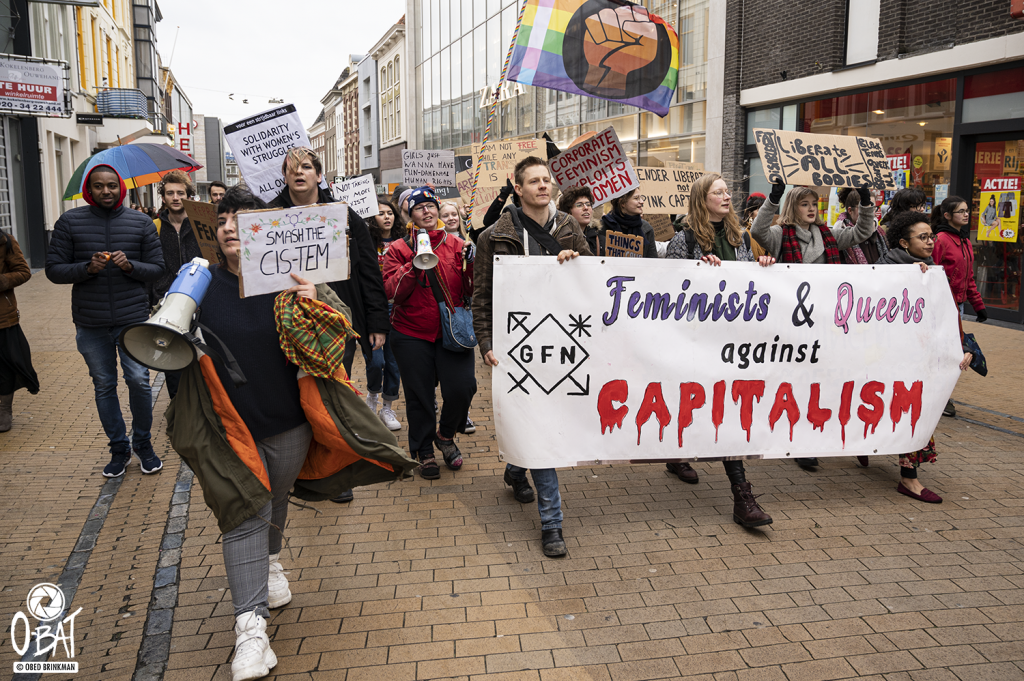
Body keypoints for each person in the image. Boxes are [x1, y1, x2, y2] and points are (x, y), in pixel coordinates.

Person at [168, 185, 416, 681]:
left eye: (244, 219)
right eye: (223, 221)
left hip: (288, 424)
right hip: (227, 429)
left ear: (267, 230)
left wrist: (311, 302)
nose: (232, 227)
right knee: (245, 513)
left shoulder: (294, 278)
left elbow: (338, 338)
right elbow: (166, 347)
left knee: (273, 498)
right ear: (214, 232)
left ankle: (273, 561)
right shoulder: (196, 285)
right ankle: (250, 630)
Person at [473, 156, 591, 558]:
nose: (543, 186)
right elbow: (482, 296)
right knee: (539, 425)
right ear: (518, 188)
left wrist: (577, 264)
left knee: (540, 421)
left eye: (547, 180)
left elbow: (595, 278)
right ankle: (552, 523)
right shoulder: (493, 236)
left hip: (564, 340)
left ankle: (514, 467)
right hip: (516, 344)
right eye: (534, 181)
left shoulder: (570, 227)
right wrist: (486, 341)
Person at [269, 147, 390, 505]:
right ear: (285, 176)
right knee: (293, 397)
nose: (299, 172)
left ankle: (336, 470)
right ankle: (297, 468)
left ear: (318, 174)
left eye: (306, 166)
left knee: (332, 394)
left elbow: (369, 269)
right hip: (284, 319)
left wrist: (376, 320)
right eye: (293, 168)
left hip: (335, 318)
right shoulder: (268, 215)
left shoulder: (345, 216)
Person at [664, 174, 776, 527]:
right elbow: (672, 289)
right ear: (702, 199)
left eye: (728, 192)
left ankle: (742, 496)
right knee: (694, 400)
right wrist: (700, 273)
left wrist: (762, 269)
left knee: (725, 407)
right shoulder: (684, 239)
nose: (727, 197)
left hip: (731, 341)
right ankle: (677, 452)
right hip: (697, 339)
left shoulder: (739, 236)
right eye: (719, 192)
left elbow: (745, 284)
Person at [45, 165, 165, 477]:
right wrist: (87, 268)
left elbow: (157, 268)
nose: (106, 191)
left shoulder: (141, 223)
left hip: (133, 318)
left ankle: (143, 443)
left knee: (139, 381)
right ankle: (118, 448)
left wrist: (131, 266)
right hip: (90, 321)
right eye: (98, 186)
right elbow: (54, 270)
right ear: (89, 190)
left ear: (121, 188)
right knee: (104, 384)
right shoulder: (70, 222)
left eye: (112, 185)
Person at [751, 181, 876, 471]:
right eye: (804, 204)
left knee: (822, 380)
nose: (810, 209)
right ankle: (797, 441)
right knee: (796, 381)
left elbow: (863, 232)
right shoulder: (780, 234)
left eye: (813, 204)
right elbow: (757, 231)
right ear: (792, 207)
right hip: (793, 322)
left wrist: (866, 201)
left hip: (825, 321)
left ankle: (815, 434)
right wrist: (773, 197)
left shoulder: (828, 234)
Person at [872, 210, 974, 503]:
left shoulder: (933, 272)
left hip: (920, 360)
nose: (931, 242)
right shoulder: (885, 270)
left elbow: (945, 316)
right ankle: (872, 450)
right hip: (888, 358)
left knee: (915, 413)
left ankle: (909, 478)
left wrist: (962, 345)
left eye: (931, 236)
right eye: (923, 237)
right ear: (904, 244)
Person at [383, 187, 476, 480]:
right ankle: (423, 451)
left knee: (463, 388)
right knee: (419, 396)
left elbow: (471, 291)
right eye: (419, 207)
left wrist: (471, 263)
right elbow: (391, 293)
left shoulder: (457, 243)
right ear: (409, 214)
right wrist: (414, 264)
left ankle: (445, 435)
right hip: (411, 332)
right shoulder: (397, 248)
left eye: (430, 206)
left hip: (451, 331)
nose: (427, 211)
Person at [932, 195, 987, 417]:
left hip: (959, 306)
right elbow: (933, 271)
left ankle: (943, 396)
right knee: (946, 352)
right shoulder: (941, 239)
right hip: (942, 307)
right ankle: (941, 398)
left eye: (967, 210)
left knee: (952, 352)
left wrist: (978, 305)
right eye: (961, 211)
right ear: (947, 215)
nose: (966, 214)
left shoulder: (964, 241)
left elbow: (969, 277)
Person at [151, 170, 203, 398]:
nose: (175, 197)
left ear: (189, 196)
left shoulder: (202, 225)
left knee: (203, 361)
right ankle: (177, 410)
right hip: (167, 304)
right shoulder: (154, 228)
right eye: (170, 193)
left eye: (180, 193)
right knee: (171, 361)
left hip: (202, 302)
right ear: (163, 197)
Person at [364, 197, 403, 433]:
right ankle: (372, 395)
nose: (387, 217)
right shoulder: (365, 242)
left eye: (390, 212)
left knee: (393, 363)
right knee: (375, 360)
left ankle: (387, 406)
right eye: (381, 213)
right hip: (374, 310)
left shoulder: (404, 241)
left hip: (397, 308)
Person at [0, 231, 39, 431]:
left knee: (5, 366)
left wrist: (2, 281)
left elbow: (24, 271)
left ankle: (4, 410)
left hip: (2, 318)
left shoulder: (4, 241)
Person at [834, 187, 888, 265]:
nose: (871, 213)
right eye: (864, 208)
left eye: (873, 208)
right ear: (850, 210)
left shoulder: (879, 232)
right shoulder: (841, 234)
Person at [598, 189, 658, 258]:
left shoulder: (647, 229)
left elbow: (652, 263)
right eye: (636, 198)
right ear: (622, 203)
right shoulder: (601, 227)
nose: (642, 202)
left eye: (641, 198)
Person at [557, 185, 598, 255]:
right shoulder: (561, 237)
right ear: (567, 213)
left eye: (588, 204)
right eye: (579, 205)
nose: (586, 208)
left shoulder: (596, 237)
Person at [741, 193, 768, 259]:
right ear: (749, 213)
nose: (763, 213)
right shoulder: (743, 234)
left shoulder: (771, 233)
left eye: (765, 210)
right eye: (759, 210)